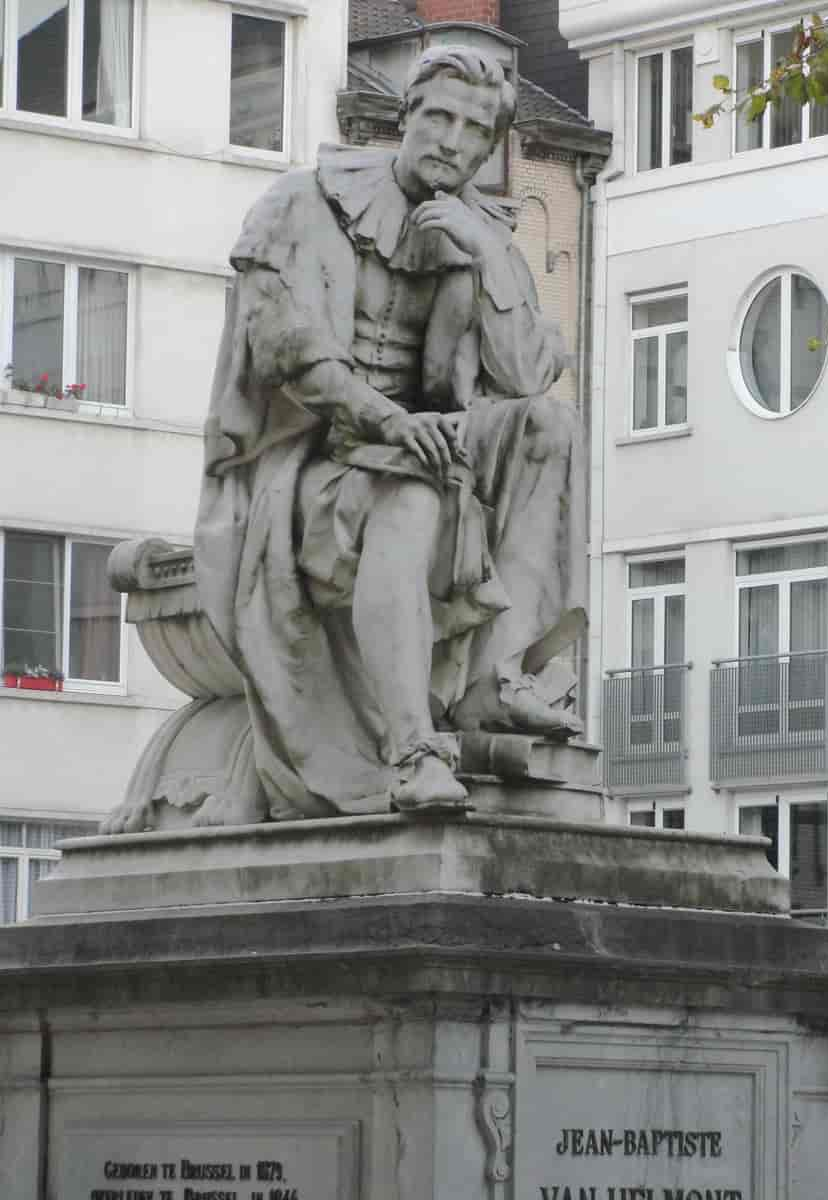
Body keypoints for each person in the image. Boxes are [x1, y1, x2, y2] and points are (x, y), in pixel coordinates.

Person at [191, 46, 586, 819]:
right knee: (412, 500)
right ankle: (411, 749)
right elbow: (289, 357)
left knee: (548, 425)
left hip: (431, 445)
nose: (451, 140)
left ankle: (492, 680)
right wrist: (394, 425)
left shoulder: (478, 230)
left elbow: (526, 373)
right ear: (405, 119)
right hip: (314, 460)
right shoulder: (300, 204)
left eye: (475, 131)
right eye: (437, 117)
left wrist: (487, 256)